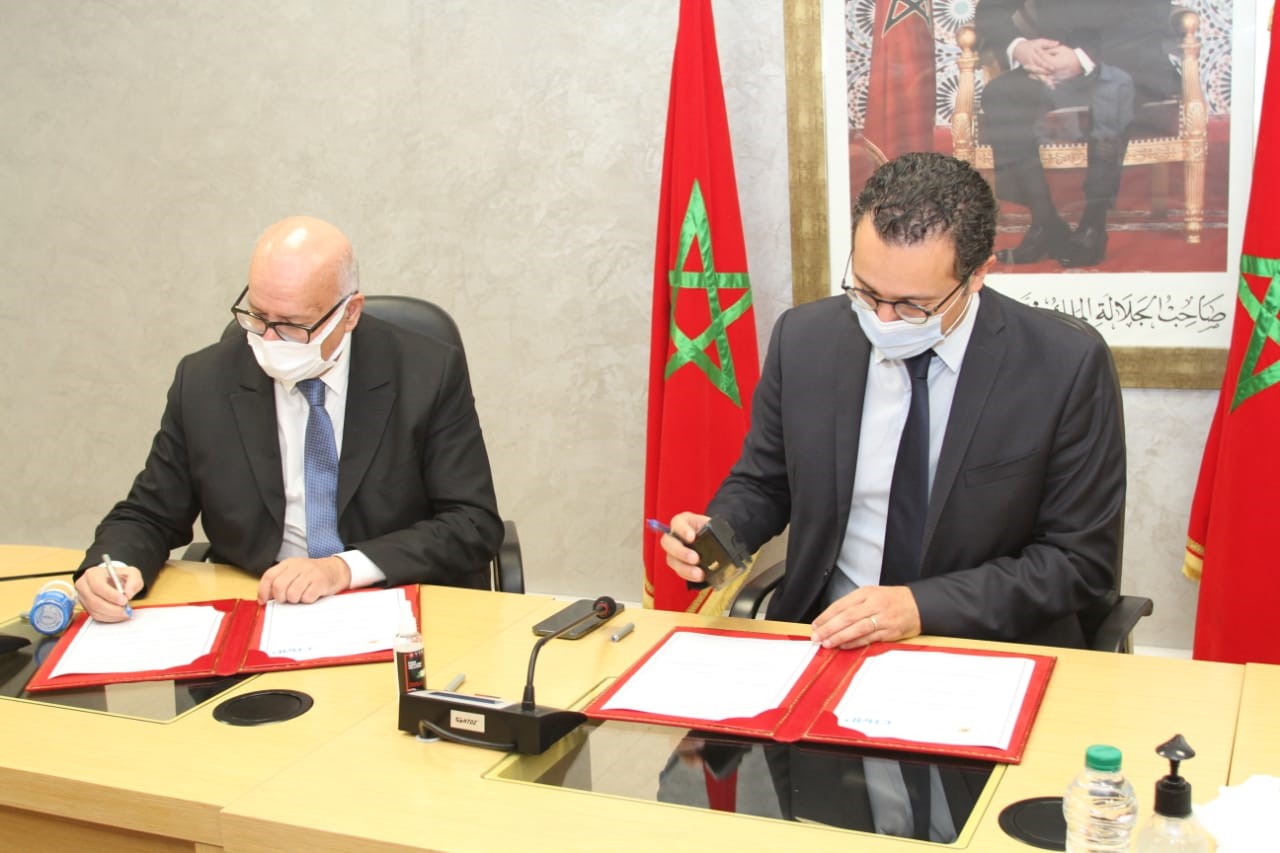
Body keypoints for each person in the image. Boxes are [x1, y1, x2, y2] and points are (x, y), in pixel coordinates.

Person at [662, 152, 1125, 649]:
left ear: (977, 275)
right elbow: (766, 482)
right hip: (828, 634)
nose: (882, 320)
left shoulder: (1063, 364)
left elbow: (1078, 562)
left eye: (912, 306)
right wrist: (719, 533)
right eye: (865, 292)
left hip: (984, 645)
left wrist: (921, 606)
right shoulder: (805, 339)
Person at [73, 216, 503, 620]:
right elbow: (149, 513)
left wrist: (343, 568)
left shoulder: (427, 373)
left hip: (394, 601)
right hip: (259, 603)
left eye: (293, 325)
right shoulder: (204, 380)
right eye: (258, 316)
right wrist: (113, 566)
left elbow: (471, 522)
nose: (269, 339)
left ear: (349, 313)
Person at [976, 0, 1180, 267]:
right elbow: (991, 8)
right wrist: (1020, 47)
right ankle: (1046, 222)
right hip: (1053, 63)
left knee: (1112, 93)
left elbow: (1151, 13)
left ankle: (1093, 224)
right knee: (1001, 95)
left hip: (1126, 60)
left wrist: (1083, 58)